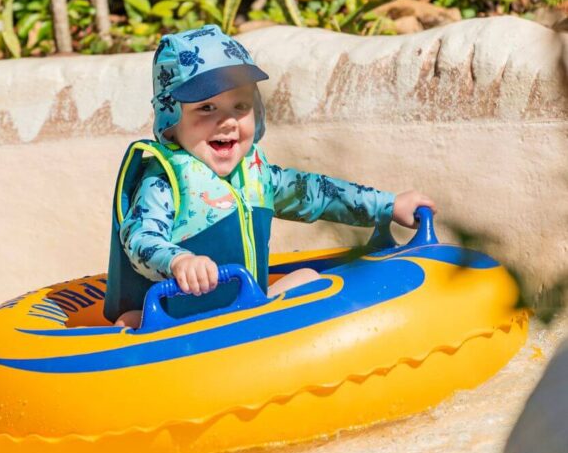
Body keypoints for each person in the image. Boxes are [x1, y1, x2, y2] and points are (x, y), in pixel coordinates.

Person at [103, 25, 435, 329]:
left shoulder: (257, 175)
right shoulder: (163, 182)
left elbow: (317, 194)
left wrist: (388, 206)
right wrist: (179, 261)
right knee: (129, 322)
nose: (228, 121)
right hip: (180, 322)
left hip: (247, 308)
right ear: (172, 119)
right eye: (206, 108)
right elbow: (141, 240)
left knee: (305, 279)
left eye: (240, 106)